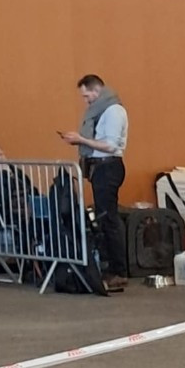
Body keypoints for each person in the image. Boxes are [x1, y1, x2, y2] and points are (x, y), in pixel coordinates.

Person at [59, 74, 129, 292]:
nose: (85, 100)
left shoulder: (114, 111)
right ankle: (111, 267)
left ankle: (119, 270)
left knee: (109, 218)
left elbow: (109, 145)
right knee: (104, 217)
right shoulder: (102, 111)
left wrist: (81, 140)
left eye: (86, 95)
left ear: (96, 90)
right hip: (100, 167)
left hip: (108, 166)